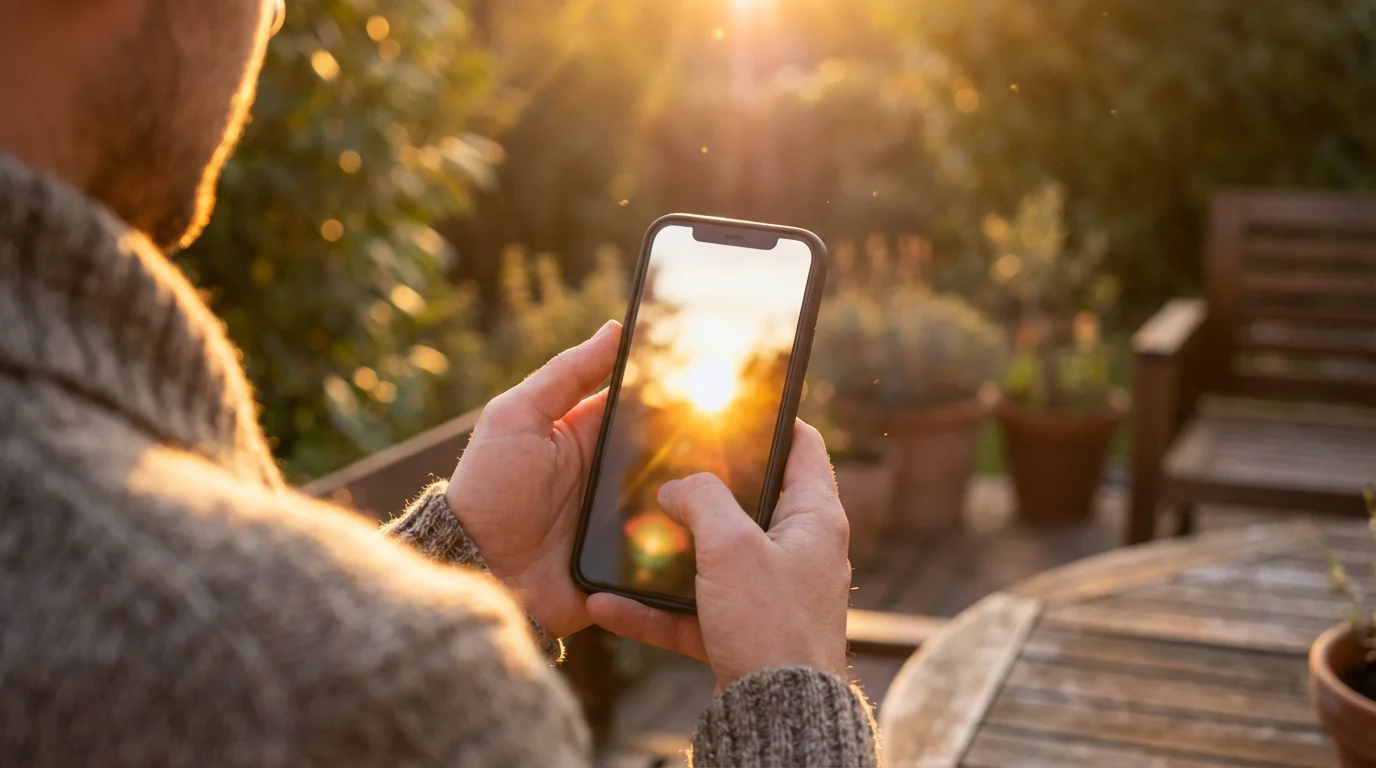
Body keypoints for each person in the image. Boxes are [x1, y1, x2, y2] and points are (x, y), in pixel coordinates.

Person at [0, 1, 879, 766]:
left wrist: (469, 565)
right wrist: (790, 701)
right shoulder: (370, 700)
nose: (271, 16)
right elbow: (290, 691)